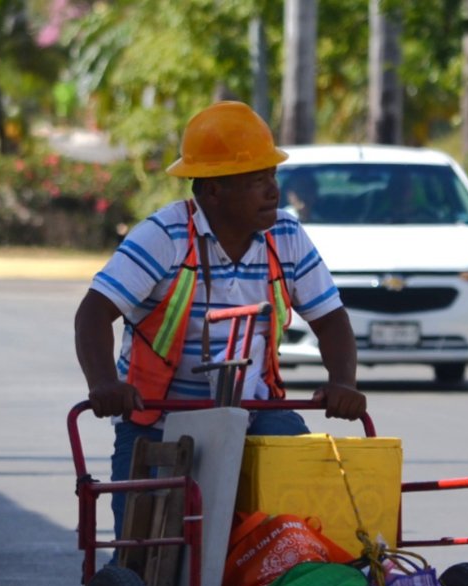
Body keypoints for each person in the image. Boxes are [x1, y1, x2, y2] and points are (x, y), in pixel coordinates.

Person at [74, 101, 367, 532]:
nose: (273, 190)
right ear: (213, 190)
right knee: (149, 552)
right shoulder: (165, 235)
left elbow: (331, 320)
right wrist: (103, 385)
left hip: (254, 412)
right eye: (256, 180)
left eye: (273, 176)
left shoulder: (286, 236)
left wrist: (343, 382)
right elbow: (94, 313)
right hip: (159, 420)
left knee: (306, 500)